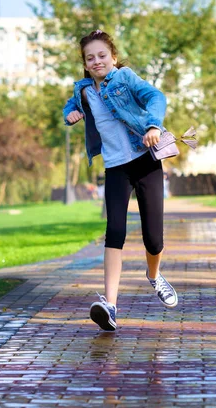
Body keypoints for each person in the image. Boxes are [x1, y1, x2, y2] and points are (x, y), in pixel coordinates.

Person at [63, 29, 177, 332]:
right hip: (116, 168)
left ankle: (154, 276)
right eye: (90, 58)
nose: (97, 61)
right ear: (85, 64)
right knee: (114, 231)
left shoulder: (125, 77)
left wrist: (153, 124)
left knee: (154, 238)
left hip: (146, 160)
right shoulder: (83, 91)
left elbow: (155, 96)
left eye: (102, 55)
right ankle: (110, 306)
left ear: (113, 57)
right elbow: (69, 105)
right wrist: (71, 114)